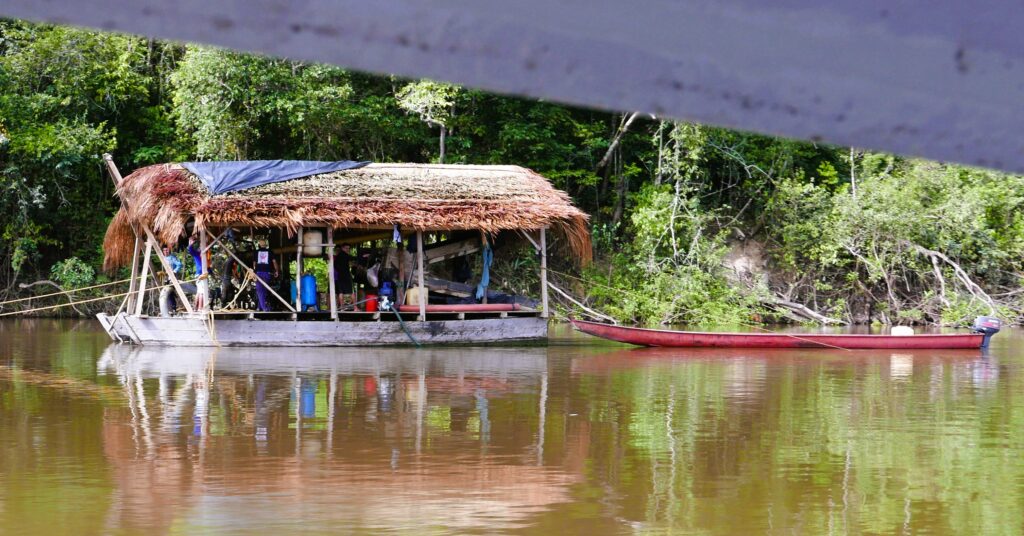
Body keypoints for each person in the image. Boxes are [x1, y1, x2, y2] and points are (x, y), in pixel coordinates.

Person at [253, 239, 279, 311]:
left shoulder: (256, 252)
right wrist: (276, 271)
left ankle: (264, 308)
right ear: (266, 245)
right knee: (263, 290)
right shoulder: (270, 252)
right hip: (267, 273)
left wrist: (254, 272)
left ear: (259, 245)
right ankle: (260, 307)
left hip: (258, 273)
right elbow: (274, 262)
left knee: (260, 290)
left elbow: (254, 264)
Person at [159, 244, 182, 317]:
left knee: (170, 293)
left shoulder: (172, 257)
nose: (165, 251)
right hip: (166, 277)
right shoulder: (163, 258)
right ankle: (169, 309)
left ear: (169, 250)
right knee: (167, 294)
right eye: (164, 250)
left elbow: (179, 264)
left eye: (167, 250)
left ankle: (173, 309)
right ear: (162, 251)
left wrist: (174, 271)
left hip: (172, 277)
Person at [187, 234, 208, 311]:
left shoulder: (205, 256)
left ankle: (196, 308)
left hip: (202, 274)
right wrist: (191, 243)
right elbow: (190, 249)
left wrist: (211, 273)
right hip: (199, 275)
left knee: (199, 292)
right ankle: (200, 308)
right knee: (202, 292)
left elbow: (207, 267)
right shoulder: (197, 254)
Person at [334, 243, 355, 309]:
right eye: (346, 248)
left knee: (341, 292)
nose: (348, 250)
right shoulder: (344, 255)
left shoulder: (337, 257)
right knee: (352, 292)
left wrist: (340, 270)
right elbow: (353, 258)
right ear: (342, 248)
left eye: (348, 248)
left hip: (340, 276)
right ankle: (355, 307)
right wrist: (363, 256)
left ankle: (342, 307)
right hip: (346, 276)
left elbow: (335, 266)